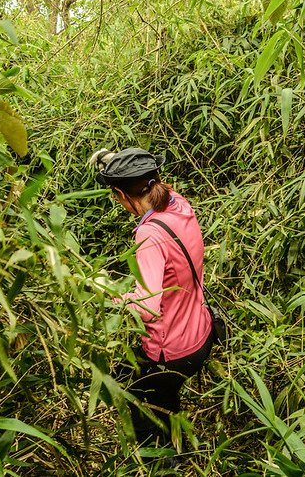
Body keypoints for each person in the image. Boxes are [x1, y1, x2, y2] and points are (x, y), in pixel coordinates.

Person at [90, 147, 214, 448]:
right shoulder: (178, 204)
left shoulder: (149, 236)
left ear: (119, 195)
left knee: (135, 399)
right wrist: (111, 161)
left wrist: (109, 298)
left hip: (171, 352)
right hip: (201, 332)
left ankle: (161, 460)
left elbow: (147, 308)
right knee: (166, 401)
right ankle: (181, 447)